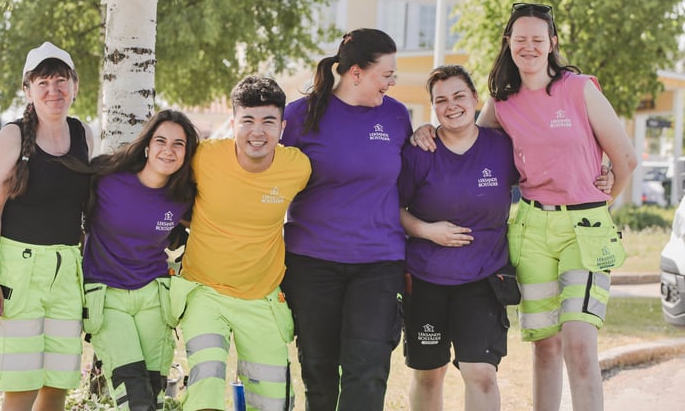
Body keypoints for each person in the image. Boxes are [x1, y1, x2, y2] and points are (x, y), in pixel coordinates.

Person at [476, 3, 638, 411]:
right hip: (531, 230)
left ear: (552, 43)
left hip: (585, 230)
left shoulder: (579, 89)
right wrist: (427, 133)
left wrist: (603, 198)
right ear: (508, 43)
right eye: (520, 39)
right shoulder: (501, 102)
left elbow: (625, 159)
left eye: (537, 39)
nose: (528, 46)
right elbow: (470, 151)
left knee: (580, 345)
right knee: (545, 345)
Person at [280, 29, 413, 411]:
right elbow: (266, 178)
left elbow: (413, 183)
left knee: (368, 371)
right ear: (356, 73)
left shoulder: (396, 116)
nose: (391, 82)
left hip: (378, 263)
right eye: (386, 75)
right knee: (319, 374)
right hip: (312, 263)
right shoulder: (299, 116)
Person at [176, 76, 311, 411]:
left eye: (268, 122)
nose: (257, 132)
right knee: (205, 390)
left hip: (262, 297)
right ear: (233, 123)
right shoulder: (204, 157)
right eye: (247, 121)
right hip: (205, 291)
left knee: (272, 403)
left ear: (282, 126)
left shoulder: (297, 167)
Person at [0, 41, 93, 410]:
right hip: (18, 272)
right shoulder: (11, 137)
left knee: (57, 384)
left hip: (66, 272)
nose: (53, 90)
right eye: (43, 82)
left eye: (61, 81)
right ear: (28, 90)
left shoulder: (84, 134)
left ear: (74, 86)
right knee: (21, 386)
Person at [398, 65, 519, 411]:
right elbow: (392, 208)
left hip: (484, 278)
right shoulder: (419, 152)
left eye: (459, 96)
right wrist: (426, 230)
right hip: (425, 278)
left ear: (476, 98)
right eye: (441, 100)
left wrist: (600, 173)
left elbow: (543, 172)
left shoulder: (502, 148)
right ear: (433, 107)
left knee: (481, 374)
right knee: (428, 374)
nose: (451, 106)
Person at [77, 109, 198, 410]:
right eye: (161, 141)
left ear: (187, 154)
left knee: (154, 394)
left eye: (178, 144)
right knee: (133, 396)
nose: (168, 150)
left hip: (153, 298)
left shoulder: (182, 196)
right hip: (107, 297)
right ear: (147, 145)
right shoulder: (106, 179)